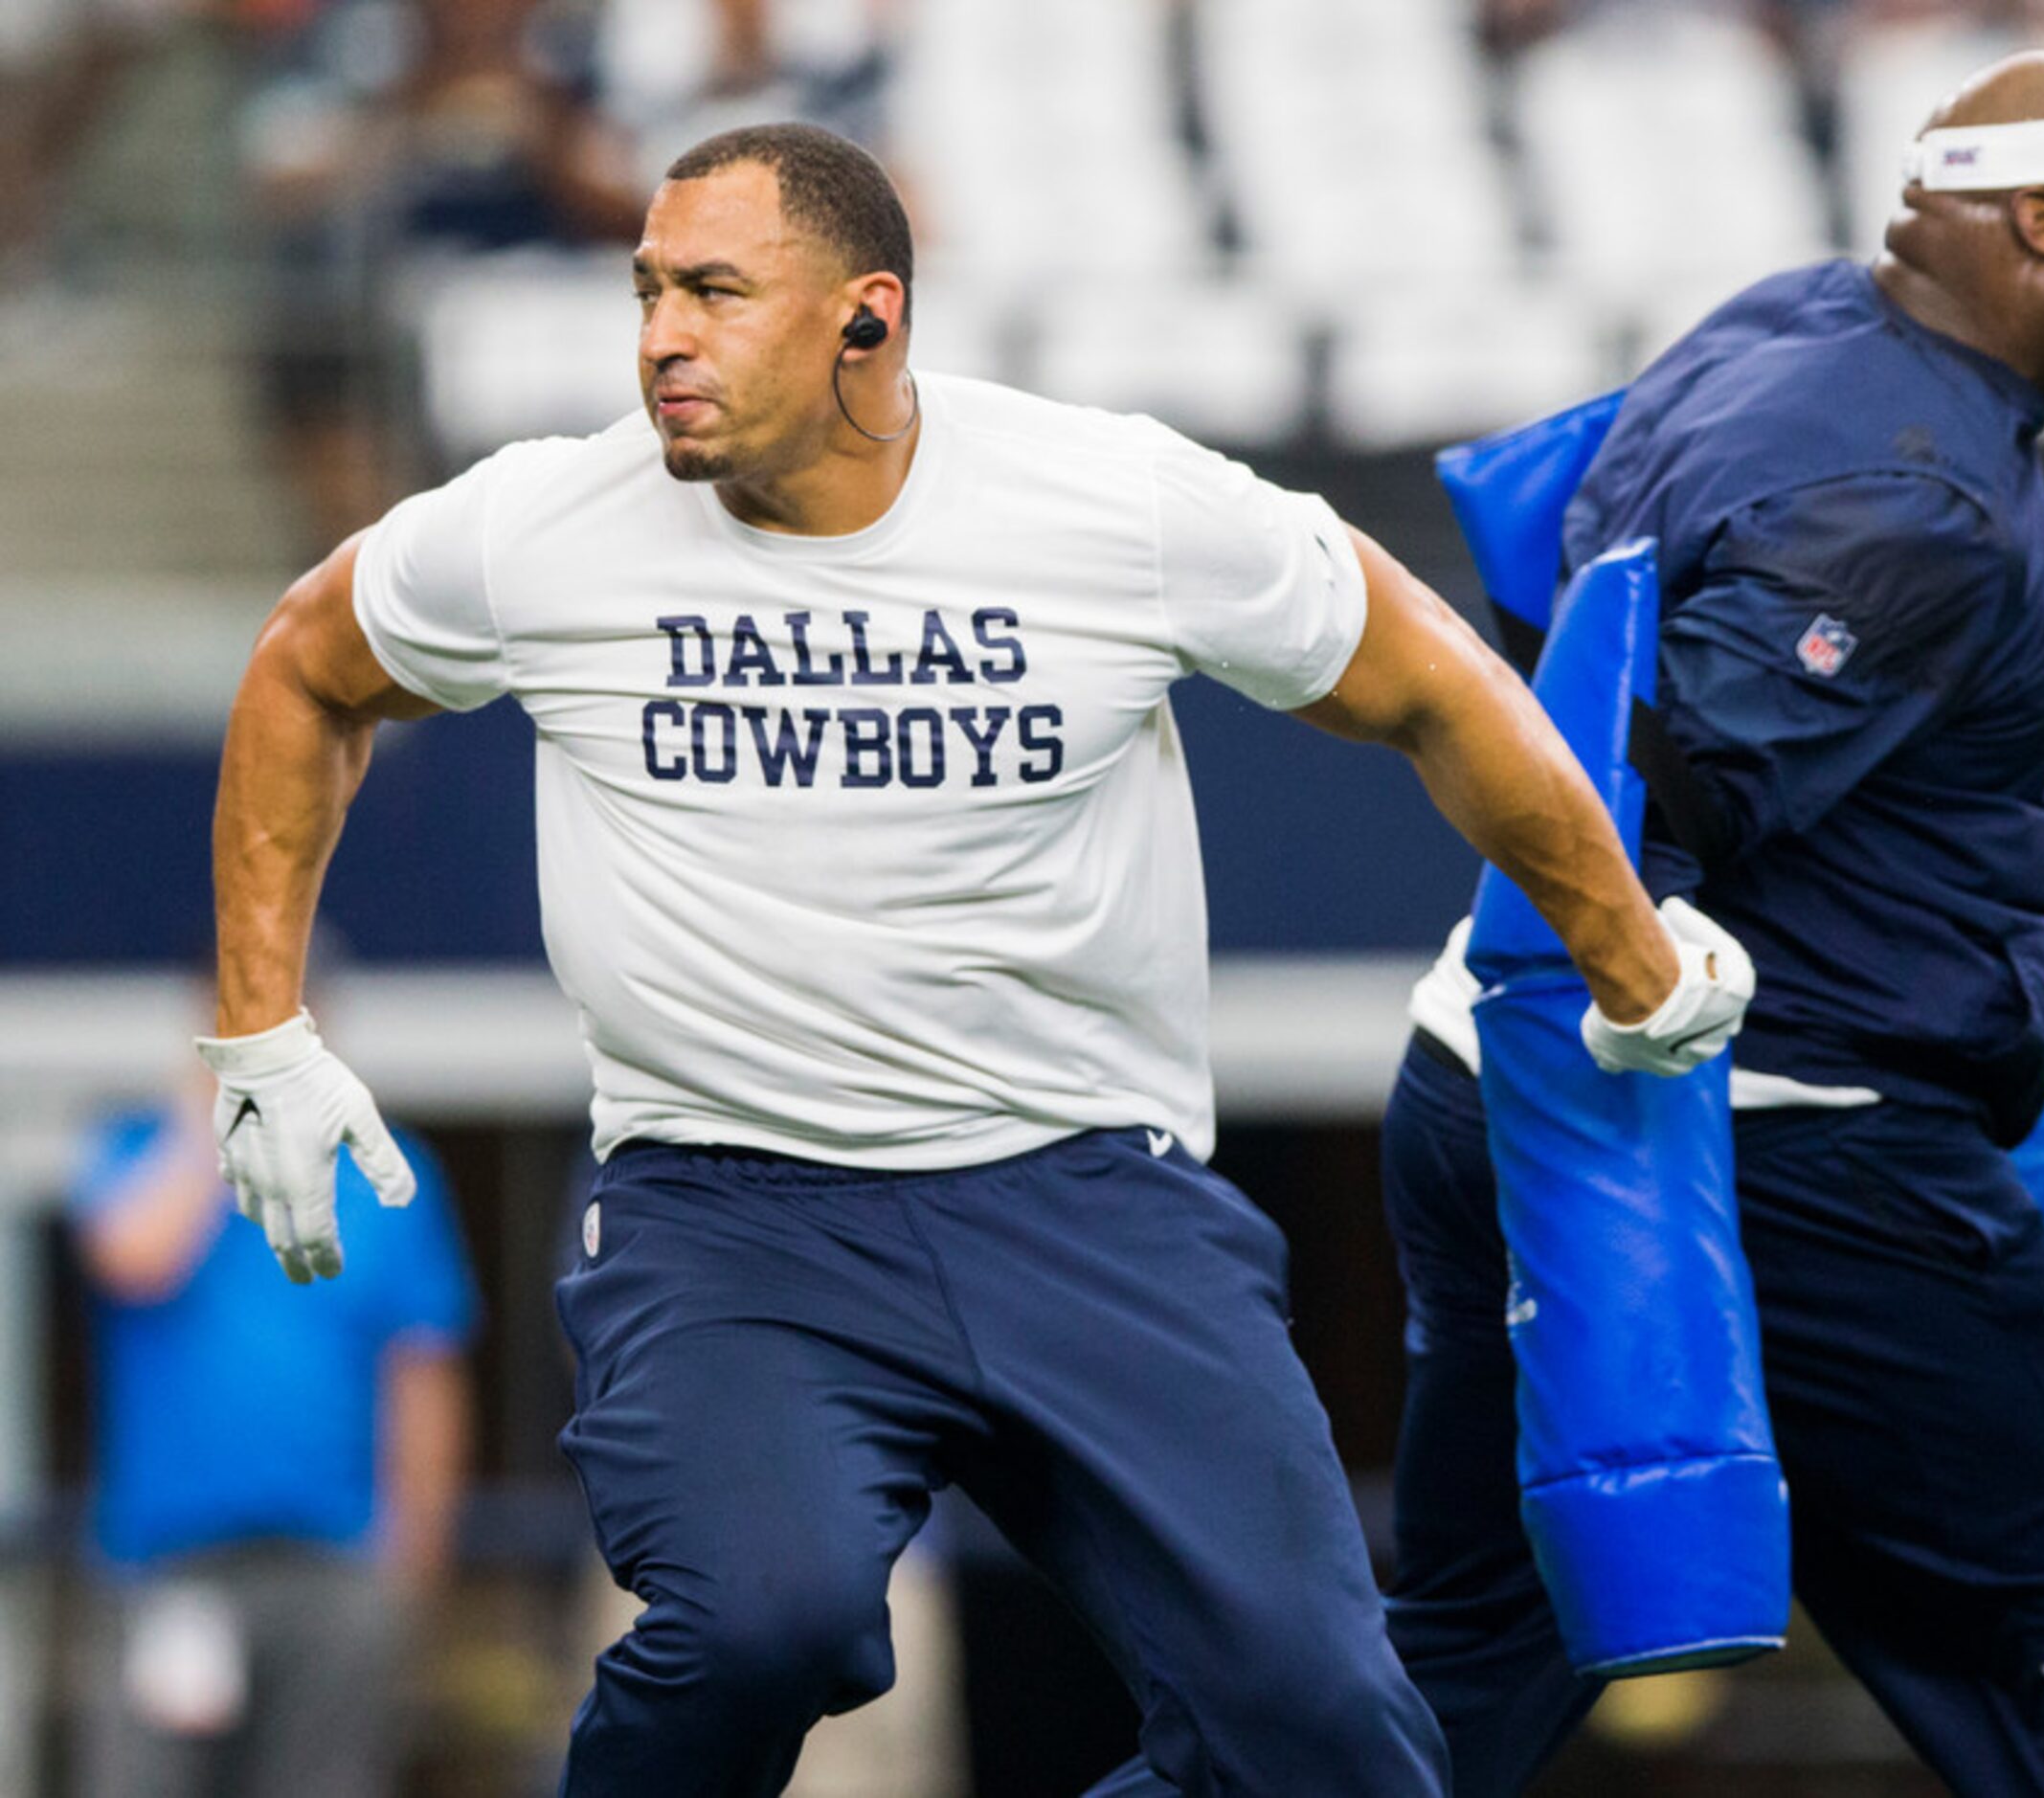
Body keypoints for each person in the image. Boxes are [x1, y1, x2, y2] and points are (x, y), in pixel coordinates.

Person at [192, 122, 1750, 1797]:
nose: (658, 334)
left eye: (715, 290)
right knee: (758, 1627)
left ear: (866, 317)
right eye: (648, 289)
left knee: (1329, 1739)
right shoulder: (544, 525)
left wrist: (1629, 955)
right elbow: (306, 668)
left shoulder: (1118, 504)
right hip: (734, 1219)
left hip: (1095, 1200)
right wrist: (262, 1032)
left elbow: (1438, 684)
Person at [1381, 51, 2044, 1797]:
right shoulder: (1921, 501)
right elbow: (1661, 786)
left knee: (1452, 1673)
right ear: (2040, 224)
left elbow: (1553, 587)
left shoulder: (1786, 314)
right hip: (1782, 1154)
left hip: (1499, 1073)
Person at [68, 1028, 476, 1798]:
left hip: (337, 1564)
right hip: (174, 1568)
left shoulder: (383, 1170)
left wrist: (415, 1565)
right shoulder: (135, 1148)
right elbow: (133, 1258)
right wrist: (210, 1121)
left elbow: (423, 1374)